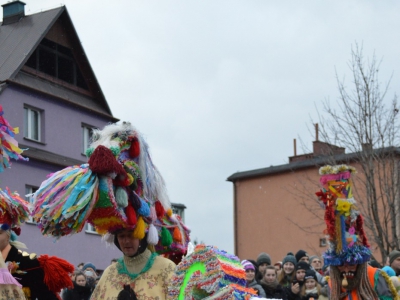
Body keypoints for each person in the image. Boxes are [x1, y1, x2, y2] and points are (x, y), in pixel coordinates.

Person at [316, 164, 397, 300]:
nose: (347, 270)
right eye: (342, 265)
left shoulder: (376, 276)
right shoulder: (332, 283)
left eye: (351, 264)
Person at [91, 230, 176, 299]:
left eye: (131, 235)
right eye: (121, 236)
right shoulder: (109, 273)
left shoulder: (166, 269)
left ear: (143, 236)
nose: (126, 241)